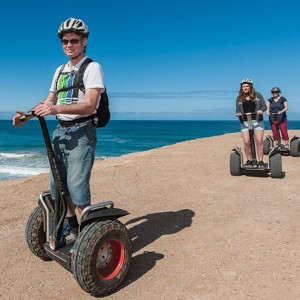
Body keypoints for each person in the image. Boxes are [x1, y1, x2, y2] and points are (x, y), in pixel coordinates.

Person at [13, 18, 105, 243]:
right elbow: (48, 101)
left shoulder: (92, 68)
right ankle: (73, 228)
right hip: (60, 132)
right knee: (59, 185)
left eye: (74, 40)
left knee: (77, 185)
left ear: (84, 41)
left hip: (82, 132)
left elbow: (90, 104)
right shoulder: (60, 70)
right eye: (65, 41)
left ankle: (87, 237)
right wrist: (26, 116)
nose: (69, 45)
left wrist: (56, 108)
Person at [236, 78, 267, 167]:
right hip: (245, 122)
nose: (245, 88)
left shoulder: (258, 95)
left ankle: (260, 161)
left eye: (247, 86)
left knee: (259, 141)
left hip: (257, 121)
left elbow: (264, 106)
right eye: (243, 86)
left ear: (250, 87)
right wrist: (238, 113)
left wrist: (261, 110)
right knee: (246, 142)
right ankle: (249, 160)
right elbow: (238, 109)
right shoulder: (239, 98)